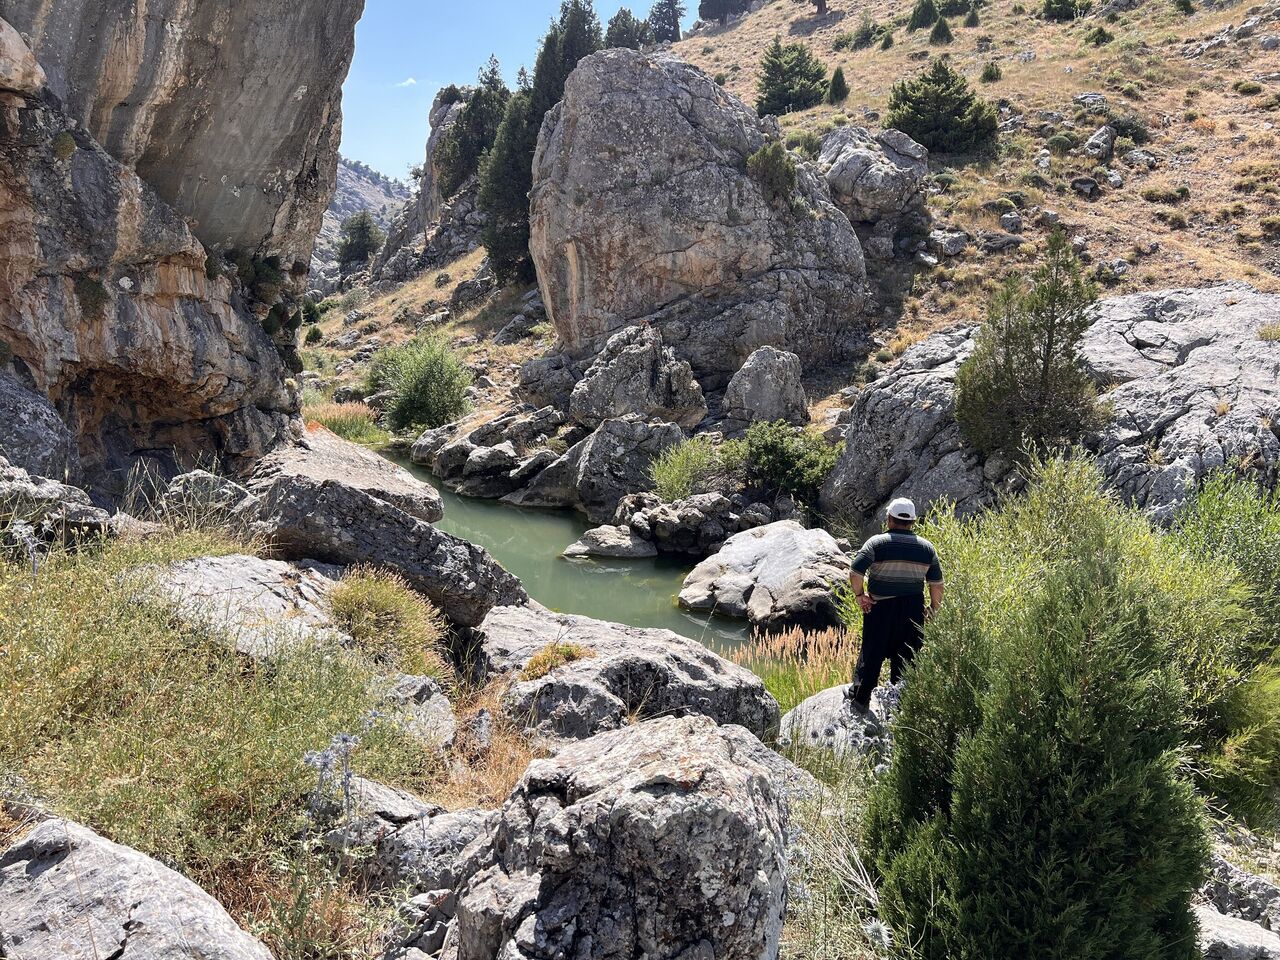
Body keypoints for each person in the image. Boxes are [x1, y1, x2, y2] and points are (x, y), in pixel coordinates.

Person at [845, 497, 944, 713]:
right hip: (912, 609)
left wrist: (860, 595)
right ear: (913, 522)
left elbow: (855, 572)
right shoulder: (927, 548)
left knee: (872, 653)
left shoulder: (876, 543)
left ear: (889, 519)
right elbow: (936, 584)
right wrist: (934, 609)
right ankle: (898, 708)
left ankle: (860, 699)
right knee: (907, 658)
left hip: (880, 608)